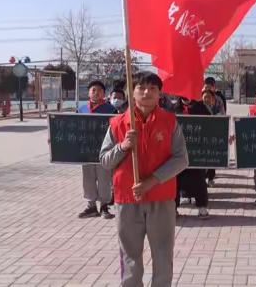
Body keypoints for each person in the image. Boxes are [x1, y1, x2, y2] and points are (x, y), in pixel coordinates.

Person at [99, 72, 188, 287]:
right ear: (132, 91)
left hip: (162, 198)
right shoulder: (118, 123)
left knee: (163, 254)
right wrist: (123, 147)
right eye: (141, 88)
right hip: (127, 199)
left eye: (152, 88)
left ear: (160, 93)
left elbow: (181, 159)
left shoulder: (169, 122)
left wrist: (152, 181)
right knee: (130, 256)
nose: (146, 92)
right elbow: (104, 160)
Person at [77, 80, 116, 219]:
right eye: (93, 90)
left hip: (104, 151)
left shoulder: (110, 109)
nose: (96, 92)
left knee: (104, 178)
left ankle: (105, 206)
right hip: (86, 151)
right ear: (88, 93)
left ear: (103, 93)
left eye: (99, 90)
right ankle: (91, 205)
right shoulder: (81, 109)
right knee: (88, 178)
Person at [175, 90, 216, 218]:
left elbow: (212, 126)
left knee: (199, 180)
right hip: (177, 153)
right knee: (175, 181)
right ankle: (174, 209)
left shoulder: (201, 107)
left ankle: (202, 207)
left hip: (197, 152)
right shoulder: (173, 109)